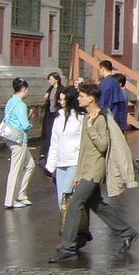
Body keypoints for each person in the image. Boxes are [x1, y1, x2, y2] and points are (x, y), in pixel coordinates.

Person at [48, 83, 139, 262]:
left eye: (81, 96)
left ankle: (68, 246)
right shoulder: (87, 117)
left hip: (94, 170)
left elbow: (103, 145)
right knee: (97, 205)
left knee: (75, 204)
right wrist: (78, 173)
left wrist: (90, 126)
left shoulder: (99, 118)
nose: (79, 98)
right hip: (86, 170)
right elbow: (83, 150)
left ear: (91, 98)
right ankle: (128, 232)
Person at [44, 85, 93, 250]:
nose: (60, 102)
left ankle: (70, 237)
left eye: (63, 99)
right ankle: (79, 232)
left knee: (69, 201)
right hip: (60, 164)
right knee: (61, 201)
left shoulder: (80, 118)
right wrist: (49, 167)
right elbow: (54, 143)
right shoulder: (58, 118)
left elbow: (85, 142)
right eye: (59, 99)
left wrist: (81, 167)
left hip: (74, 162)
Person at [2, 77, 35, 209]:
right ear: (24, 89)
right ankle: (10, 200)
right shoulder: (21, 104)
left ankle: (21, 194)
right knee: (15, 169)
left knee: (30, 165)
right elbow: (24, 125)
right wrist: (30, 122)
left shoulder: (11, 101)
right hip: (19, 139)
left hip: (10, 137)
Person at [38, 70, 63, 171]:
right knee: (47, 133)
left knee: (55, 133)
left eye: (51, 79)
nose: (49, 81)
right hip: (50, 114)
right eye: (49, 79)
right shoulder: (50, 90)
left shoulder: (61, 90)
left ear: (56, 80)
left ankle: (53, 154)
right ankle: (43, 154)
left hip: (57, 114)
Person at [97, 60, 128, 131]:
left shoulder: (105, 83)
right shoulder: (115, 81)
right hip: (116, 113)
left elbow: (102, 100)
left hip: (108, 113)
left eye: (100, 69)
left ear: (103, 69)